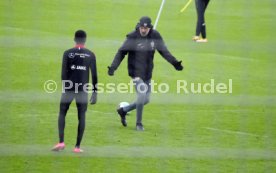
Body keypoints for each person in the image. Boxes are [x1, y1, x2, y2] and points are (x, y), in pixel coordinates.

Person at [108, 16, 183, 131]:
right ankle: (139, 124)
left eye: (146, 28)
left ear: (149, 28)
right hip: (135, 71)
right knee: (142, 93)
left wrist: (175, 63)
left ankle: (123, 110)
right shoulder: (133, 37)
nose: (143, 30)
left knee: (146, 100)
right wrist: (113, 67)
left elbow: (164, 51)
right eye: (142, 28)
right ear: (139, 26)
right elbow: (121, 52)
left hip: (147, 72)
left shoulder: (155, 36)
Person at [52, 30, 98, 153]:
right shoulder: (90, 54)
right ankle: (77, 147)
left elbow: (63, 73)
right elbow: (94, 74)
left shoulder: (67, 53)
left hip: (69, 89)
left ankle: (61, 142)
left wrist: (65, 87)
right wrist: (95, 92)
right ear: (85, 40)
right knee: (81, 116)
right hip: (82, 90)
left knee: (62, 113)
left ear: (74, 39)